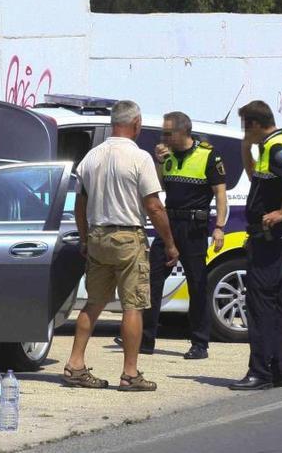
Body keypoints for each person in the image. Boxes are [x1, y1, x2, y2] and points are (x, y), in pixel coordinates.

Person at [63, 100, 179, 392]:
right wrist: (170, 243)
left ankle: (75, 363)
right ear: (136, 123)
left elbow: (81, 203)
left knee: (94, 303)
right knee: (133, 306)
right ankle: (129, 373)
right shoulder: (139, 158)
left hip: (99, 237)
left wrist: (85, 237)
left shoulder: (92, 157)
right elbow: (153, 206)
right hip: (128, 238)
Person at [118, 111, 227, 359]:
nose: (163, 137)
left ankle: (200, 343)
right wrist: (157, 162)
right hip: (169, 224)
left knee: (197, 285)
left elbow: (220, 193)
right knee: (152, 280)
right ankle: (145, 339)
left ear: (183, 131)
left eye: (168, 133)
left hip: (194, 227)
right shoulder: (166, 156)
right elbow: (159, 187)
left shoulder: (208, 155)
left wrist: (219, 226)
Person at [229, 100, 282, 391]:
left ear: (256, 124)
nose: (244, 130)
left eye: (245, 125)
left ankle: (260, 372)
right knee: (278, 304)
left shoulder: (277, 146)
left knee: (260, 305)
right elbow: (256, 180)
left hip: (271, 238)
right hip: (270, 238)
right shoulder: (266, 147)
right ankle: (281, 371)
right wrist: (245, 148)